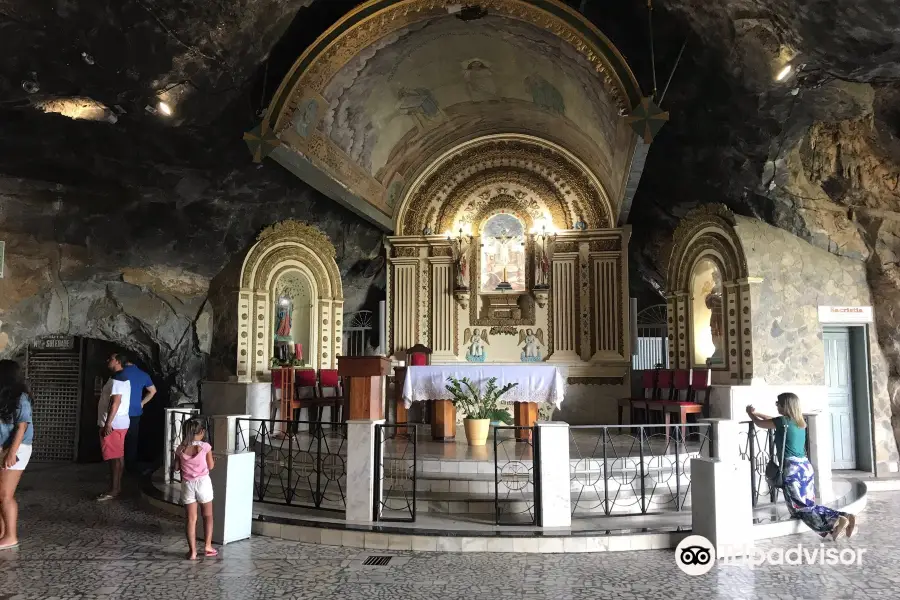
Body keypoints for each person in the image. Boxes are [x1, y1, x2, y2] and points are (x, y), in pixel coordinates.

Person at [746, 393, 857, 541]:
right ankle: (842, 518)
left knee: (799, 508)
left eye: (778, 403)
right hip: (804, 467)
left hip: (792, 469)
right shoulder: (800, 422)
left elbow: (760, 423)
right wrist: (757, 413)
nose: (776, 405)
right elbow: (770, 420)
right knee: (807, 504)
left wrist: (750, 414)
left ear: (786, 405)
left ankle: (835, 520)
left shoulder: (781, 421)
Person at [0, 360, 34, 550]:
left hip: (16, 448)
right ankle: (3, 533)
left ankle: (11, 536)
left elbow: (22, 426)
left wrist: (11, 453)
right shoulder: (4, 395)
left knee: (5, 494)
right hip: (4, 447)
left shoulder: (20, 397)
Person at [174, 418, 216, 560]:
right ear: (202, 432)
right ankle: (208, 546)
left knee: (191, 519)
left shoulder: (180, 449)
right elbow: (210, 466)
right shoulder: (205, 447)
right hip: (203, 483)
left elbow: (176, 468)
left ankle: (192, 552)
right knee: (208, 515)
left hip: (187, 485)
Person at [97, 355, 131, 501]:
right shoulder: (121, 377)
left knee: (114, 458)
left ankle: (114, 489)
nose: (108, 360)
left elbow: (116, 402)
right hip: (120, 423)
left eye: (110, 358)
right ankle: (116, 486)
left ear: (117, 361)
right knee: (118, 456)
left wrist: (108, 423)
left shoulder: (118, 379)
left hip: (114, 424)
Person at [117, 353, 156, 475]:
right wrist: (142, 403)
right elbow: (153, 391)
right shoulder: (143, 374)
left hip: (119, 412)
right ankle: (130, 468)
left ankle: (118, 469)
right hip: (135, 412)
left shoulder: (120, 374)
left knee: (118, 441)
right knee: (131, 441)